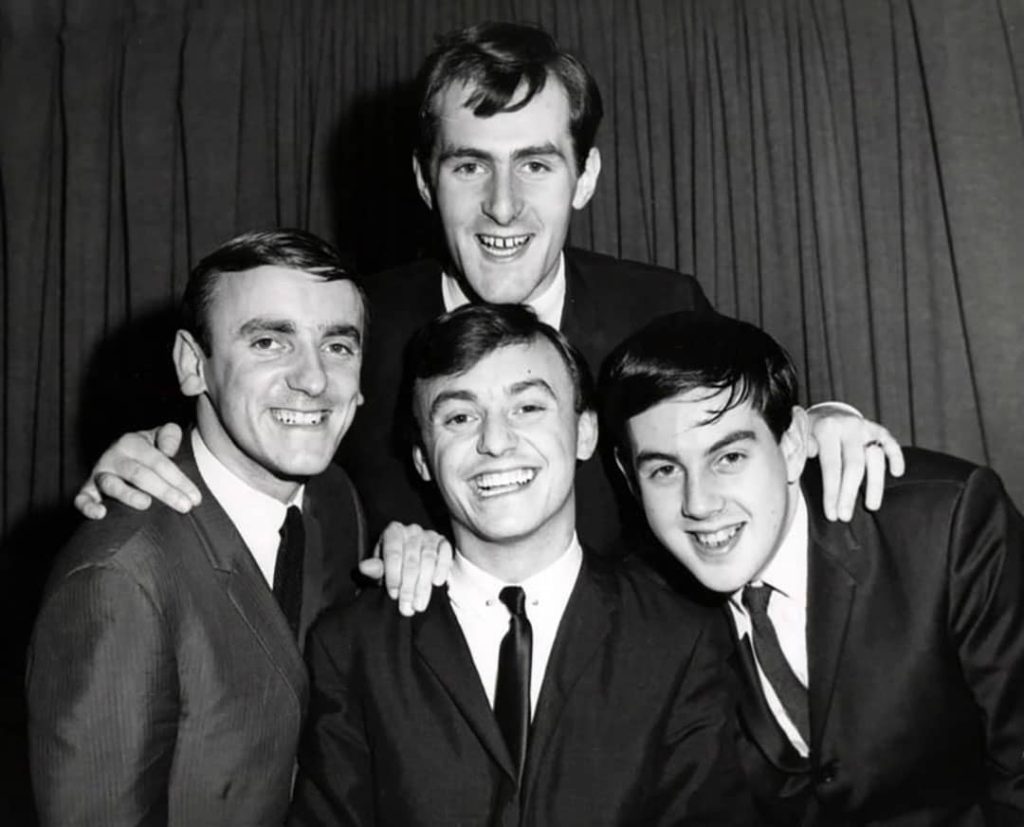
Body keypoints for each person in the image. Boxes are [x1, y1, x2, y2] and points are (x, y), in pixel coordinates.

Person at [72, 22, 902, 595]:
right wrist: (158, 461)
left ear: (585, 177)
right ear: (426, 181)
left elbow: (740, 444)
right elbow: (260, 459)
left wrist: (824, 416)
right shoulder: (354, 330)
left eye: (536, 165)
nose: (503, 206)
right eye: (471, 167)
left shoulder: (658, 304)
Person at [287, 303, 754, 826]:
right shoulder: (352, 648)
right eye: (460, 418)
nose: (495, 441)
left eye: (527, 408)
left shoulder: (680, 636)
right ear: (421, 457)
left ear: (584, 433)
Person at [601, 310, 1024, 825]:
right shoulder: (643, 605)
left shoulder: (948, 524)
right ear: (629, 477)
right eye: (665, 470)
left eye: (729, 458)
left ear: (794, 442)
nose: (699, 503)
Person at [27, 229, 372, 826]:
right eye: (269, 341)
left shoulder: (336, 500)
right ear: (194, 365)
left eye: (338, 347)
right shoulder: (120, 577)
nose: (314, 380)